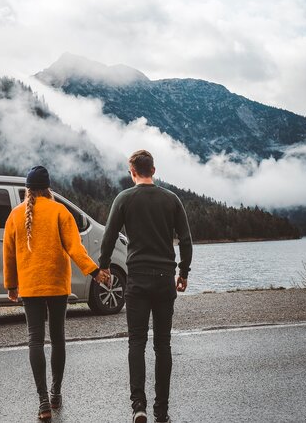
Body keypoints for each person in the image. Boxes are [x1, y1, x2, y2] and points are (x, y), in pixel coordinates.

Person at [3, 165, 109, 421]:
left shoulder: (15, 215)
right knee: (58, 339)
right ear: (48, 189)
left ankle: (43, 403)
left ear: (27, 191)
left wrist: (11, 285)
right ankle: (56, 393)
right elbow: (76, 248)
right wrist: (94, 272)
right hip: (57, 285)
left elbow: (8, 253)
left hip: (30, 285)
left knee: (35, 340)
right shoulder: (60, 211)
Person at [99, 149, 193, 423]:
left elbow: (109, 235)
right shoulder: (171, 199)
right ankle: (161, 411)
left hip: (137, 279)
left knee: (136, 343)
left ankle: (138, 406)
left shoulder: (124, 198)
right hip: (165, 279)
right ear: (153, 170)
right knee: (163, 345)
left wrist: (104, 266)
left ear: (132, 173)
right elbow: (185, 240)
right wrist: (183, 272)